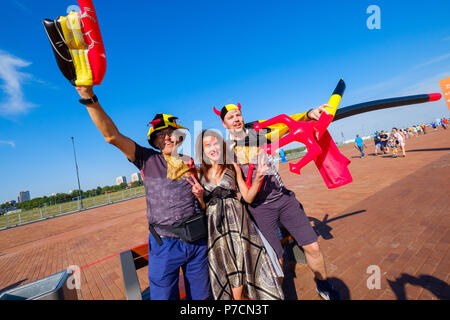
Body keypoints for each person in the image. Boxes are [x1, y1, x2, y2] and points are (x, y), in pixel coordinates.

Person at [74, 86, 210, 300]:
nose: (166, 138)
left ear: (179, 138)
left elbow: (202, 204)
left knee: (202, 299)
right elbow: (112, 136)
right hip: (165, 244)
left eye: (171, 134)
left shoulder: (190, 163)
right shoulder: (147, 159)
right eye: (161, 135)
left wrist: (201, 198)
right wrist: (89, 98)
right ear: (155, 141)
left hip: (197, 242)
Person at [216, 102, 341, 300]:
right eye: (231, 117)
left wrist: (310, 113)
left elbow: (287, 123)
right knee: (277, 260)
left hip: (284, 199)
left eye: (238, 114)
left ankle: (323, 285)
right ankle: (276, 295)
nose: (236, 119)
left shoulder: (257, 130)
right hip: (260, 209)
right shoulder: (226, 150)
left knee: (313, 246)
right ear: (224, 123)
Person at [192, 129, 284, 300]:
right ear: (202, 150)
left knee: (242, 270)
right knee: (231, 276)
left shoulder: (232, 167)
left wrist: (257, 179)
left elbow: (247, 197)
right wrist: (199, 197)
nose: (212, 148)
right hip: (217, 231)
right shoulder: (200, 174)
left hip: (239, 225)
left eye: (215, 143)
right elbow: (204, 209)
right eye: (207, 145)